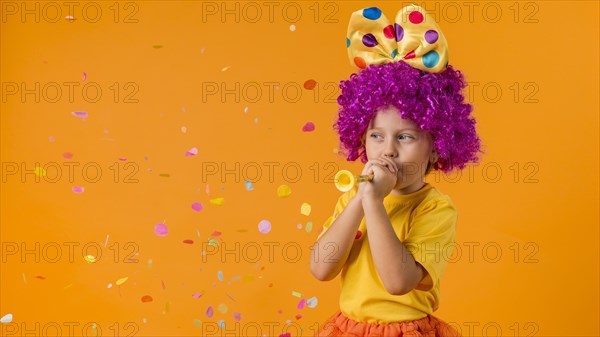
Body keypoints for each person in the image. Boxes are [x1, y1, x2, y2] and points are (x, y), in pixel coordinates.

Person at [310, 4, 482, 337]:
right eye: (376, 135)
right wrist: (361, 200)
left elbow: (398, 281)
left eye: (404, 136)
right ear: (361, 137)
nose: (388, 149)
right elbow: (321, 268)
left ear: (436, 146)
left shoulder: (434, 208)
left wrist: (374, 203)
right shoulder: (354, 197)